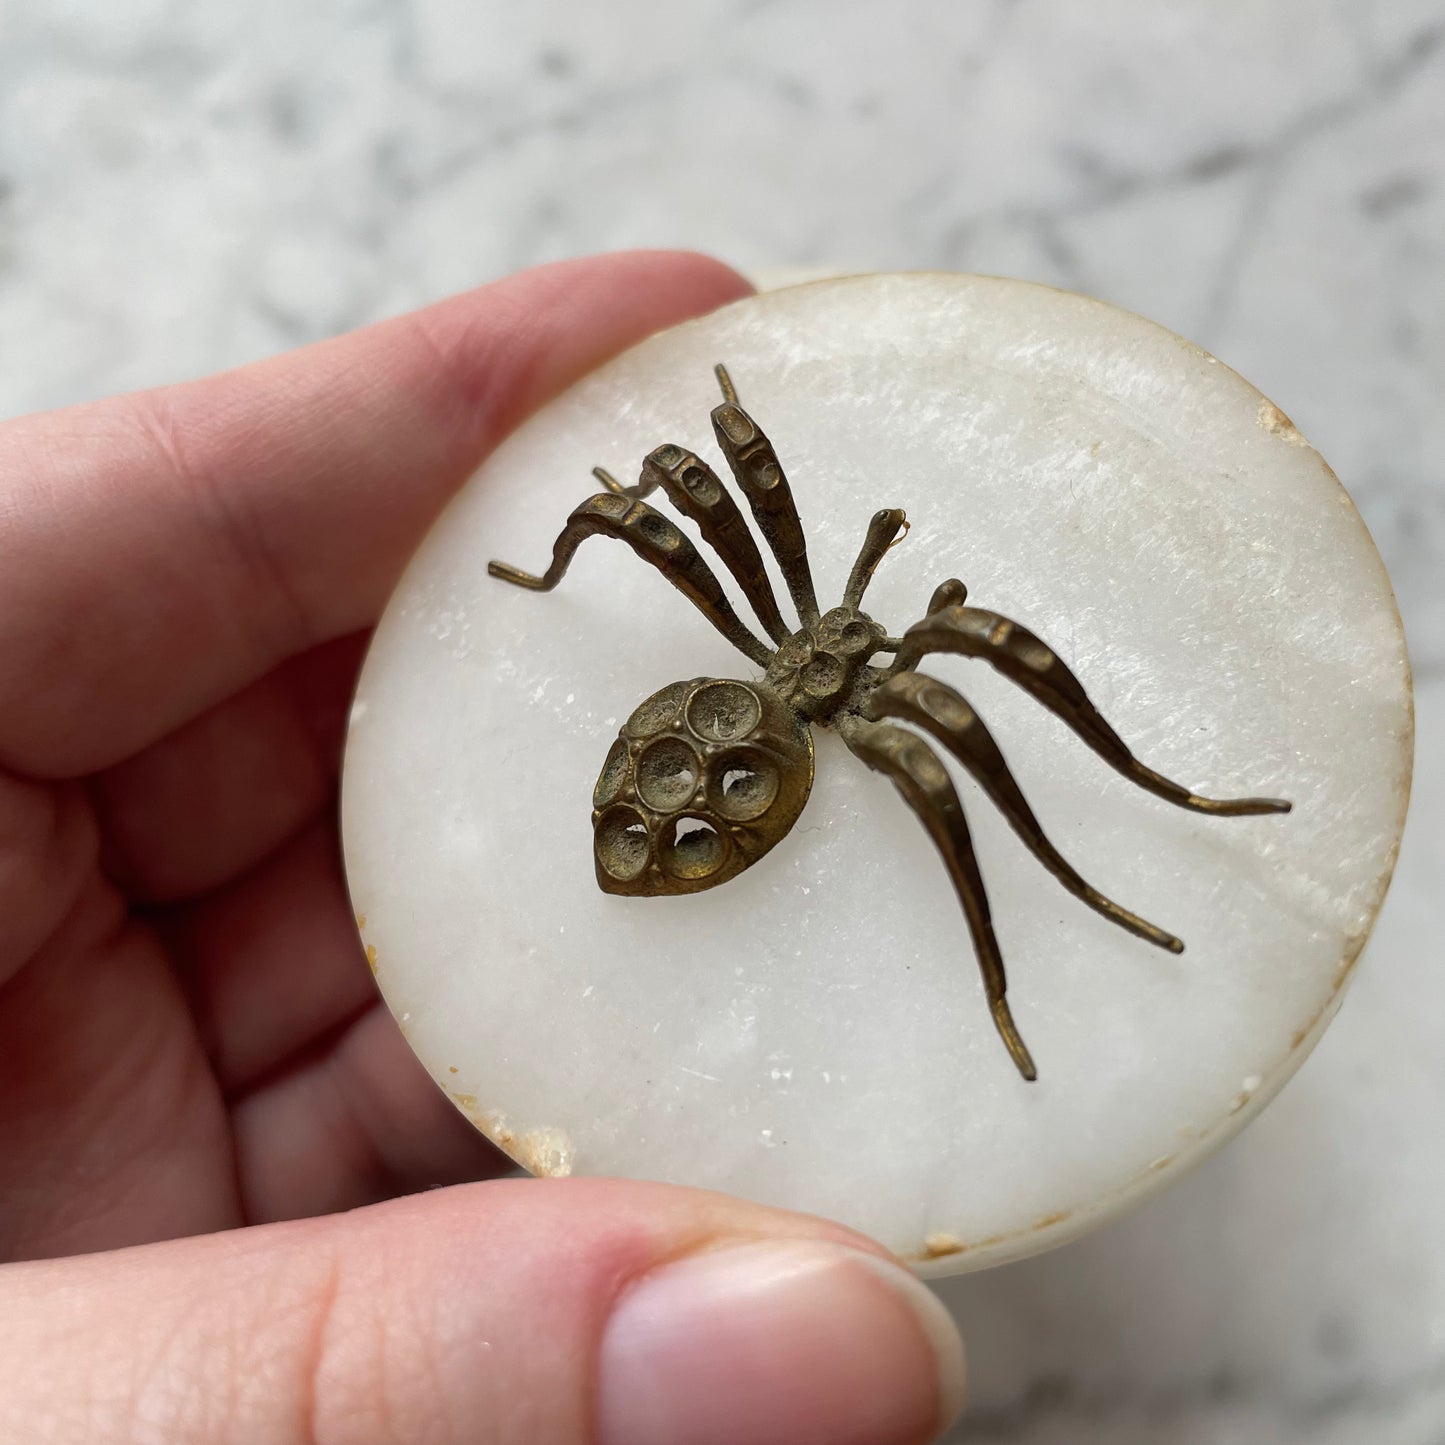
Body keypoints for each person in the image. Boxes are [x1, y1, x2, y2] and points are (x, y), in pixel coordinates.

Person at [0, 251, 966, 1445]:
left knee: (650, 507)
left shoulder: (868, 723)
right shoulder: (856, 679)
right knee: (647, 496)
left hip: (714, 753)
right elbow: (672, 479)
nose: (838, 642)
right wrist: (647, 475)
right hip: (695, 748)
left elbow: (662, 492)